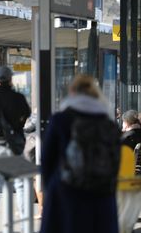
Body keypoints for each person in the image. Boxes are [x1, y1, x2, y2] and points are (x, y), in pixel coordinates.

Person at [40, 74, 119, 233]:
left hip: (66, 193)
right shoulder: (109, 123)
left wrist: (51, 191)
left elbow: (47, 160)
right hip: (102, 198)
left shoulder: (60, 119)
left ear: (72, 92)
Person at [0, 66, 31, 233]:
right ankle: (26, 227)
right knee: (20, 185)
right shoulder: (18, 98)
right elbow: (27, 114)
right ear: (11, 80)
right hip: (13, 147)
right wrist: (16, 127)